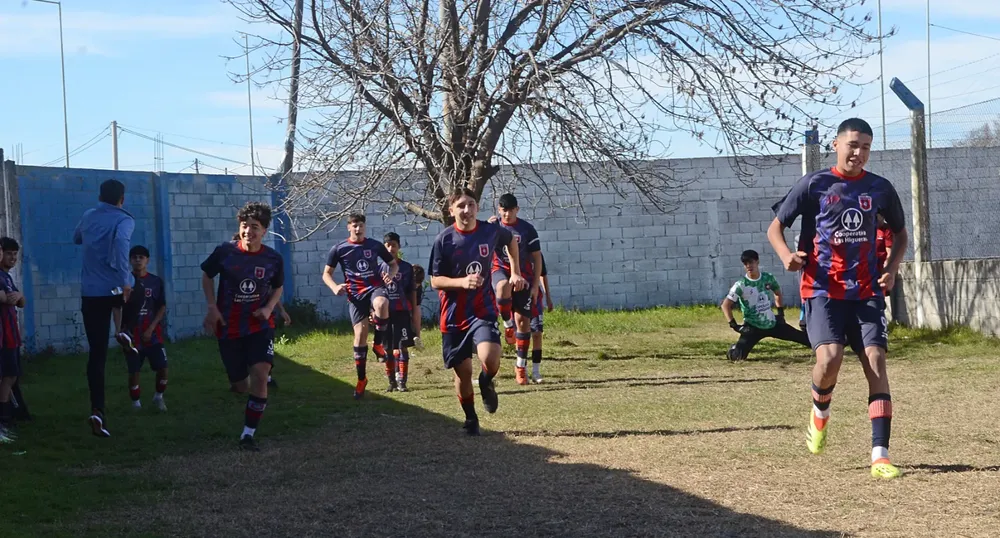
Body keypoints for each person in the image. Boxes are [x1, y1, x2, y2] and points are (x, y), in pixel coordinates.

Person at [768, 117, 909, 480]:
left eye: (865, 147)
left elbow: (901, 234)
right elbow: (775, 227)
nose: (858, 152)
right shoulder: (814, 184)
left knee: (876, 362)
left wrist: (891, 268)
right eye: (852, 145)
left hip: (866, 291)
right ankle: (820, 411)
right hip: (822, 289)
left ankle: (880, 456)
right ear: (836, 145)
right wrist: (786, 256)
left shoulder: (880, 188)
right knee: (830, 359)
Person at [430, 188, 527, 435]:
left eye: (471, 204)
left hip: (482, 309)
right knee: (463, 373)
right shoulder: (444, 240)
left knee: (491, 358)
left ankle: (486, 381)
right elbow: (435, 281)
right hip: (453, 315)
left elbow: (511, 241)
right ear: (451, 210)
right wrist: (462, 282)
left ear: (477, 207)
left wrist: (515, 271)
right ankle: (471, 418)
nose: (467, 210)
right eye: (461, 205)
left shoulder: (490, 231)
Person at [201, 202, 285, 451]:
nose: (249, 231)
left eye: (255, 227)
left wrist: (269, 308)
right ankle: (241, 381)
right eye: (245, 226)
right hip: (228, 327)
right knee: (240, 386)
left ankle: (248, 434)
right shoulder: (225, 252)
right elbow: (207, 275)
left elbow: (278, 286)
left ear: (264, 231)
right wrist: (212, 307)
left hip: (259, 326)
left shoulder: (273, 258)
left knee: (260, 374)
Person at [73, 179, 135, 438]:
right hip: (115, 289)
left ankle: (97, 411)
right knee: (137, 290)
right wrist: (125, 279)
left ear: (100, 196)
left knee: (97, 355)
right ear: (122, 199)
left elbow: (77, 238)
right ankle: (124, 330)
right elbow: (121, 243)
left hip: (91, 293)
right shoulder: (124, 220)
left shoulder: (89, 215)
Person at [323, 213, 398, 400]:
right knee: (360, 336)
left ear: (365, 227)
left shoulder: (375, 245)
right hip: (355, 294)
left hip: (375, 287)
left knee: (382, 303)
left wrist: (390, 275)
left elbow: (393, 264)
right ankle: (362, 379)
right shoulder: (339, 249)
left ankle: (378, 344)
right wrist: (334, 287)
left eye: (361, 225)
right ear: (349, 227)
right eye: (354, 225)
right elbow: (326, 274)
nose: (358, 229)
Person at [490, 194, 543, 385]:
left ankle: (521, 367)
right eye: (504, 210)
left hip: (523, 277)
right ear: (499, 209)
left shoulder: (527, 229)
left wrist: (535, 285)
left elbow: (537, 257)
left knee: (523, 321)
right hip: (499, 271)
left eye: (511, 210)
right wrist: (486, 227)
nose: (507, 214)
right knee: (503, 286)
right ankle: (507, 325)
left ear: (517, 210)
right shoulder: (493, 226)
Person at [721, 250, 810, 361]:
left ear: (757, 262)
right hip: (752, 327)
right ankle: (735, 348)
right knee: (736, 357)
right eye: (745, 263)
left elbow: (777, 293)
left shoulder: (768, 278)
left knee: (806, 339)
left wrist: (780, 314)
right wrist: (735, 326)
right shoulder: (741, 285)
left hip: (772, 323)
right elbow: (725, 305)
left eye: (751, 262)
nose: (748, 266)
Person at [232, 231, 288, 388]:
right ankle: (241, 378)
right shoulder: (232, 270)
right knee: (242, 356)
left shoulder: (263, 264)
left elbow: (272, 291)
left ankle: (266, 378)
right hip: (237, 322)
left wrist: (280, 310)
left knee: (262, 353)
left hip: (260, 320)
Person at [121, 246, 168, 411]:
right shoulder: (125, 282)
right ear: (130, 260)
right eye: (134, 257)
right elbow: (118, 307)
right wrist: (121, 330)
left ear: (147, 260)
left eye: (141, 257)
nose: (138, 260)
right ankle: (136, 403)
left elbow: (162, 306)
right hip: (132, 335)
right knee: (134, 371)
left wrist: (151, 328)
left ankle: (158, 397)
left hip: (153, 334)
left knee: (163, 368)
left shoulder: (155, 282)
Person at [379, 232, 418, 392]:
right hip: (385, 313)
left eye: (394, 245)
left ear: (399, 247)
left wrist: (413, 311)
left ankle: (402, 381)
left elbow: (412, 292)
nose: (391, 249)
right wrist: (372, 311)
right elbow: (373, 292)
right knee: (387, 348)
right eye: (388, 245)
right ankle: (391, 382)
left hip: (402, 312)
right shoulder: (379, 268)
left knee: (402, 346)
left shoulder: (407, 268)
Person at [0, 238, 25, 444]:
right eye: (8, 253)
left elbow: (20, 301)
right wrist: (13, 296)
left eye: (15, 254)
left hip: (11, 334)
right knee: (8, 376)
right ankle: (5, 417)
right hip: (4, 335)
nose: (12, 257)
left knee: (12, 375)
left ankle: (9, 414)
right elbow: (6, 298)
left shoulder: (7, 277)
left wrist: (17, 295)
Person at [529, 253, 554, 383]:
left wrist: (548, 297)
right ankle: (521, 368)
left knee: (537, 333)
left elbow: (543, 275)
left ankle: (536, 371)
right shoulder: (514, 252)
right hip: (519, 296)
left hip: (536, 298)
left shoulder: (536, 253)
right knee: (521, 335)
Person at [411, 264, 425, 351]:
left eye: (418, 284)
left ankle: (417, 338)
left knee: (416, 310)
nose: (416, 286)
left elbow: (416, 307)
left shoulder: (418, 288)